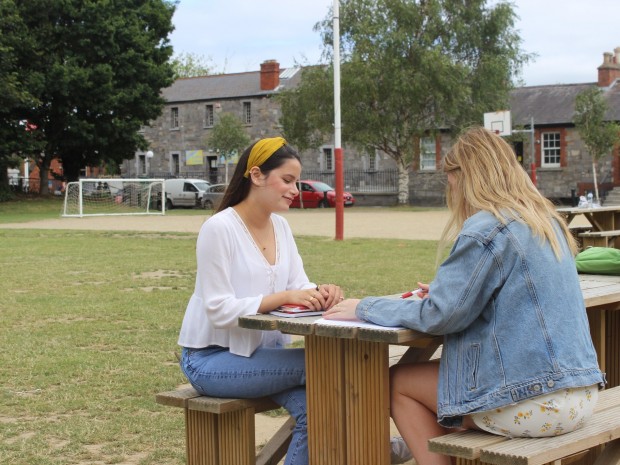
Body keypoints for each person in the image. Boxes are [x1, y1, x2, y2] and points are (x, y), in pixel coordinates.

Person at [323, 127, 606, 465]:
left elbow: (439, 315)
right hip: (581, 393)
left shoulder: (487, 227)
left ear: (465, 176)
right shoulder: (545, 222)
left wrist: (364, 307)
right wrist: (452, 292)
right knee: (450, 396)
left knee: (397, 382)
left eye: (450, 179)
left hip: (534, 400)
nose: (451, 188)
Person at [178, 137, 344, 465]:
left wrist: (320, 293)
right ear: (256, 175)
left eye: (296, 181)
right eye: (287, 180)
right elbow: (218, 309)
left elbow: (298, 285)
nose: (295, 190)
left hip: (263, 356)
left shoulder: (281, 226)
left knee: (318, 407)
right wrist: (284, 297)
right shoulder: (218, 228)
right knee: (326, 364)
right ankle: (381, 446)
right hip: (210, 360)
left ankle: (372, 446)